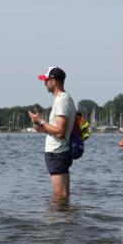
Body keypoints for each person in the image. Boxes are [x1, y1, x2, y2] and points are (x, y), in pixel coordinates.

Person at [28, 67, 76, 200]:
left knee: (60, 195)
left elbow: (60, 132)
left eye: (46, 80)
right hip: (59, 152)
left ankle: (58, 220)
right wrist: (42, 127)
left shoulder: (62, 100)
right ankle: (65, 219)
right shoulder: (64, 98)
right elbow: (57, 130)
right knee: (64, 195)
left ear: (53, 81)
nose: (44, 83)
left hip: (57, 153)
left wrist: (41, 121)